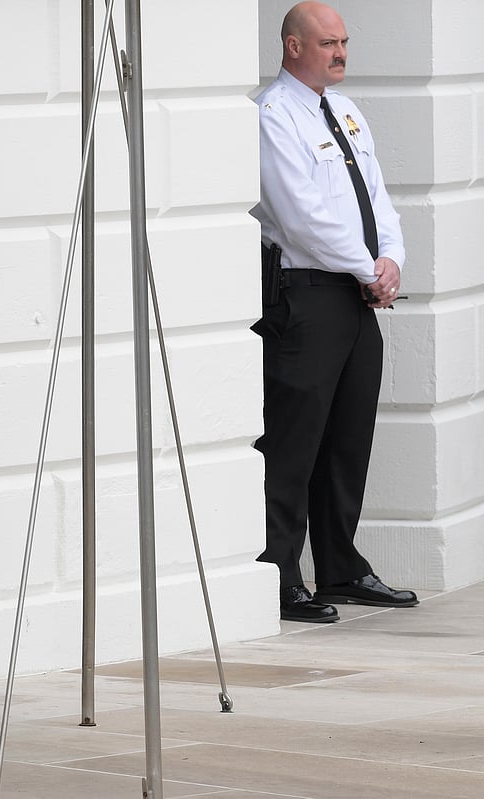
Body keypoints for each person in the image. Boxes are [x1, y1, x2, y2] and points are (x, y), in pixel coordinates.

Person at [251, 2, 419, 623]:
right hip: (306, 294)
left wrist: (391, 259)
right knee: (294, 441)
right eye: (328, 43)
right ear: (294, 46)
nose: (341, 52)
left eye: (344, 41)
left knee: (348, 438)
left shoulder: (346, 111)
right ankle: (281, 574)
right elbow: (301, 217)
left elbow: (378, 200)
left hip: (355, 293)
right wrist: (367, 268)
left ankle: (341, 568)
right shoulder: (272, 115)